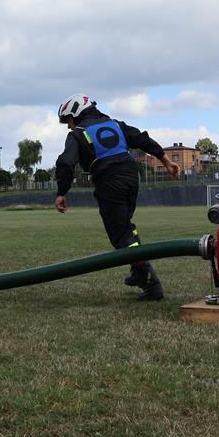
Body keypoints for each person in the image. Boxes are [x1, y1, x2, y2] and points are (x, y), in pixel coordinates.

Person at [54, 95, 180, 301]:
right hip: (131, 176)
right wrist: (165, 160)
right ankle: (138, 272)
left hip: (109, 180)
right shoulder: (116, 125)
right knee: (126, 228)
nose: (68, 126)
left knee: (121, 236)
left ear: (76, 114)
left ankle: (150, 282)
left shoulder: (77, 134)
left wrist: (61, 192)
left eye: (67, 119)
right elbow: (143, 139)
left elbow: (66, 163)